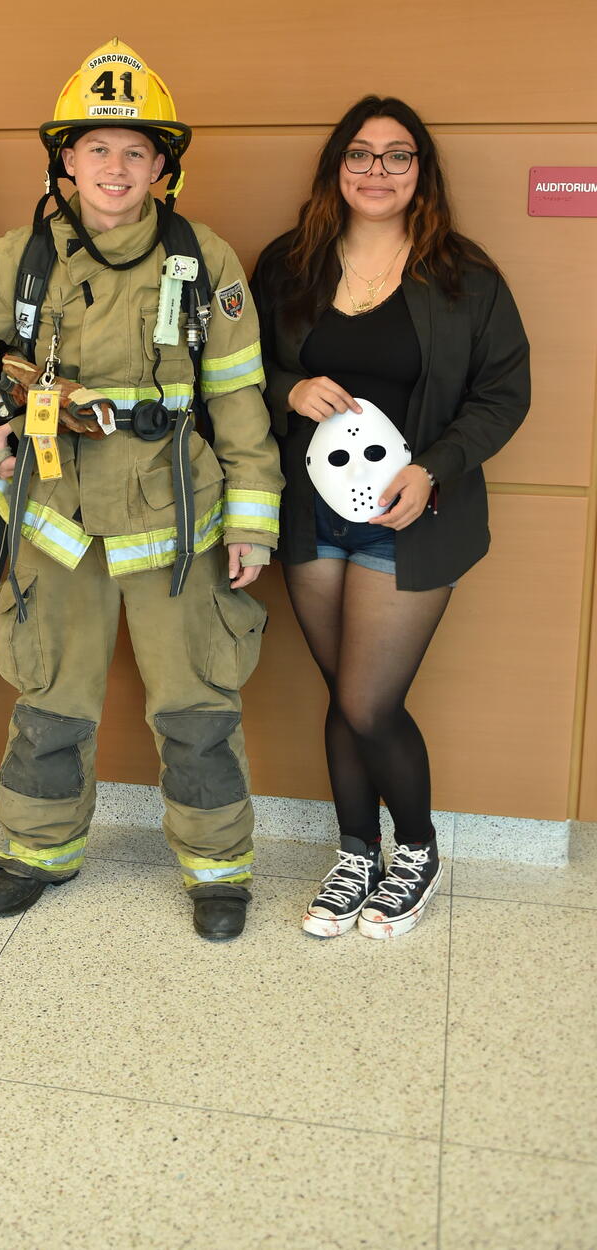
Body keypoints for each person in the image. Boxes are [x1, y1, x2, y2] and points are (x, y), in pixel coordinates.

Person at [0, 39, 283, 941]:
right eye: (97, 148)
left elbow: (239, 398)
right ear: (67, 162)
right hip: (57, 517)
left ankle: (218, 868)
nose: (115, 168)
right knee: (49, 701)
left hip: (178, 519)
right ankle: (38, 850)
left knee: (198, 707)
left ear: (162, 167)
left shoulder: (206, 261)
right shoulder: (18, 261)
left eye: (135, 150)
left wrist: (252, 521)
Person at [251, 95, 530, 940]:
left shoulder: (464, 277)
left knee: (369, 702)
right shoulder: (289, 265)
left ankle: (415, 850)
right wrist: (288, 389)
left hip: (412, 517)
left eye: (397, 155)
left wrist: (433, 467)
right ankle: (355, 853)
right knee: (343, 695)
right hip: (311, 513)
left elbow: (503, 394)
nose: (378, 170)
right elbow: (233, 368)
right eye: (361, 154)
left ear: (421, 172)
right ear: (337, 166)